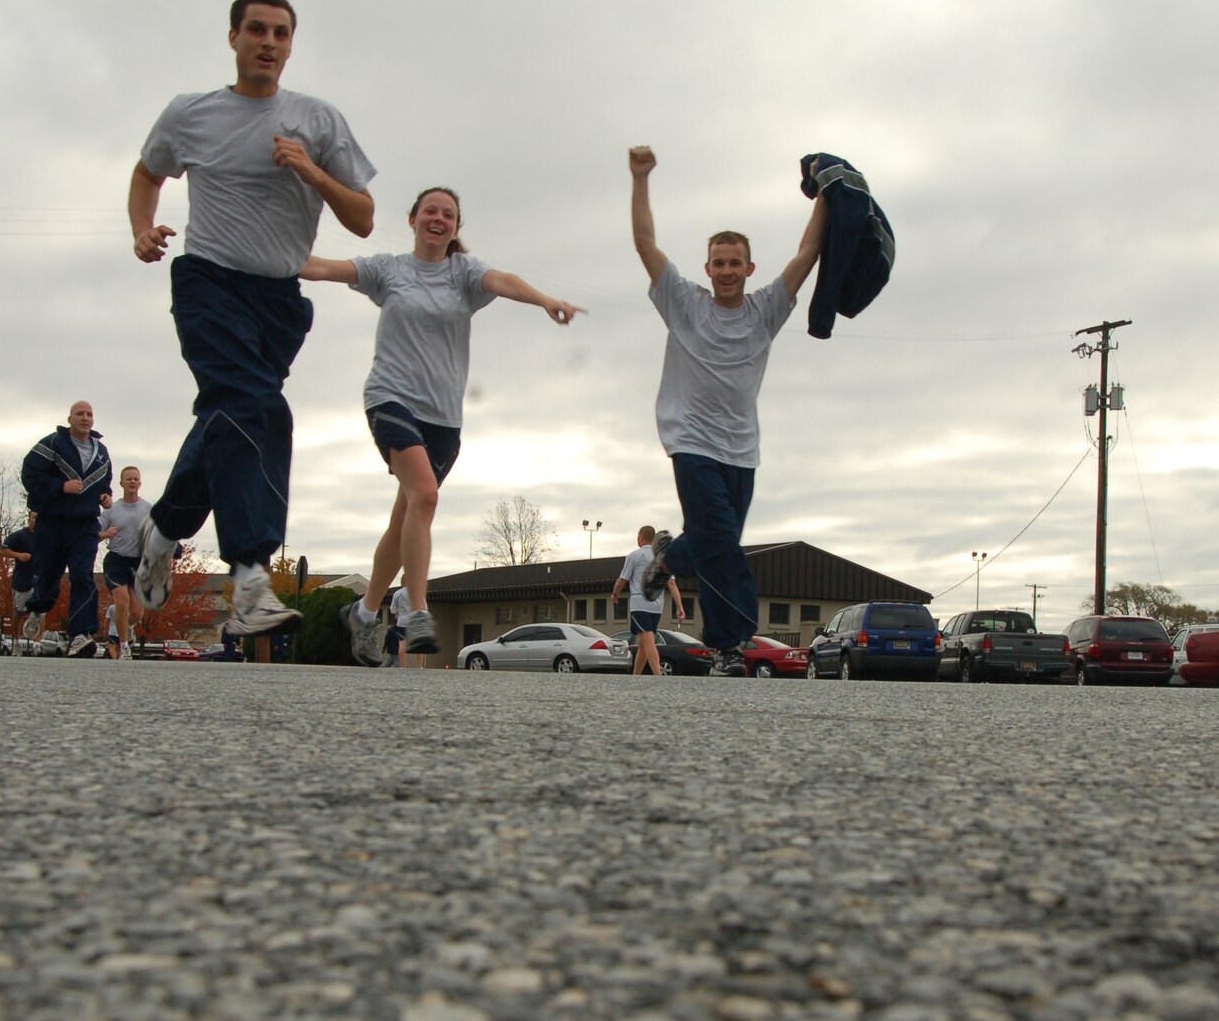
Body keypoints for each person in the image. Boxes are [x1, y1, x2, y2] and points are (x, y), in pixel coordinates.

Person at [128, 0, 376, 642]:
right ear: (234, 37)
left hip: (278, 300)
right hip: (209, 281)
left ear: (292, 45)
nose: (269, 42)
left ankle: (162, 530)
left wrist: (311, 170)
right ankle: (250, 576)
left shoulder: (319, 121)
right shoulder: (192, 113)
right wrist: (141, 229)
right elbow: (147, 172)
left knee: (229, 416)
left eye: (282, 33)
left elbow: (363, 215)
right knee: (255, 406)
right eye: (257, 30)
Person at [303, 186, 582, 667]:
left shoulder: (464, 274)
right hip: (390, 399)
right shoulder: (388, 270)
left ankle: (366, 613)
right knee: (426, 496)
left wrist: (543, 299)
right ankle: (416, 611)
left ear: (456, 228)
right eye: (430, 210)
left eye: (448, 214)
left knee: (407, 515)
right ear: (412, 218)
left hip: (444, 419)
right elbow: (325, 268)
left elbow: (505, 280)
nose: (438, 218)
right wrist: (262, 254)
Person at [628, 144, 827, 676]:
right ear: (708, 267)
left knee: (719, 545)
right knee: (721, 542)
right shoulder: (685, 302)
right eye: (718, 263)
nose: (727, 271)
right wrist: (641, 177)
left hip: (743, 449)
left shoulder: (766, 309)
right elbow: (645, 243)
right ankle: (730, 645)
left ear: (749, 267)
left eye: (735, 263)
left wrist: (828, 192)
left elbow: (807, 254)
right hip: (690, 441)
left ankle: (669, 559)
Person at [22, 400, 113, 658]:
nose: (85, 418)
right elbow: (29, 475)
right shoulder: (51, 444)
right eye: (80, 414)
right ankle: (39, 608)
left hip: (85, 525)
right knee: (49, 574)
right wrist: (60, 487)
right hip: (52, 521)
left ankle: (81, 635)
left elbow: (104, 482)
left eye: (89, 414)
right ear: (70, 419)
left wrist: (105, 495)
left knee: (83, 576)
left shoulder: (102, 451)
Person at [612, 524, 686, 676]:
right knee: (643, 643)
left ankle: (658, 676)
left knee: (648, 641)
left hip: (639, 604)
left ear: (640, 538)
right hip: (657, 606)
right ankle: (636, 676)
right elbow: (671, 583)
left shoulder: (634, 556)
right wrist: (680, 607)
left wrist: (615, 594)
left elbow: (622, 580)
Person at [98, 465, 152, 659]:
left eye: (135, 479)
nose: (132, 482)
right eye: (128, 479)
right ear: (121, 483)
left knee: (137, 613)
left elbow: (159, 532)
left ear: (140, 483)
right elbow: (92, 534)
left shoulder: (148, 508)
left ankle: (127, 627)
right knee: (122, 602)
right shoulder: (112, 509)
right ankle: (124, 647)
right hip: (116, 560)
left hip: (138, 563)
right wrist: (105, 534)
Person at [1, 512, 39, 640]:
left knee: (42, 608)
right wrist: (19, 555)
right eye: (34, 517)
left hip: (40, 577)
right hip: (22, 579)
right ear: (29, 519)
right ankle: (16, 641)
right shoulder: (20, 536)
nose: (36, 520)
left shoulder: (46, 537)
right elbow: (3, 550)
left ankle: (36, 642)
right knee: (19, 611)